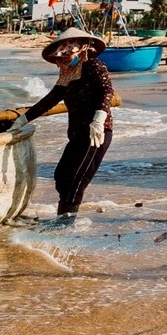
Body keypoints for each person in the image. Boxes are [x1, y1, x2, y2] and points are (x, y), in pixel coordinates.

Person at [26, 28, 117, 216]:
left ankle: (65, 225)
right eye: (63, 56)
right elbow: (49, 100)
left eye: (69, 53)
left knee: (77, 180)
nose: (65, 58)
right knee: (62, 176)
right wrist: (22, 119)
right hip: (77, 134)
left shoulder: (94, 66)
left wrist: (99, 119)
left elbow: (107, 92)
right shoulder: (68, 75)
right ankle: (64, 218)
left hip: (95, 133)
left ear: (82, 49)